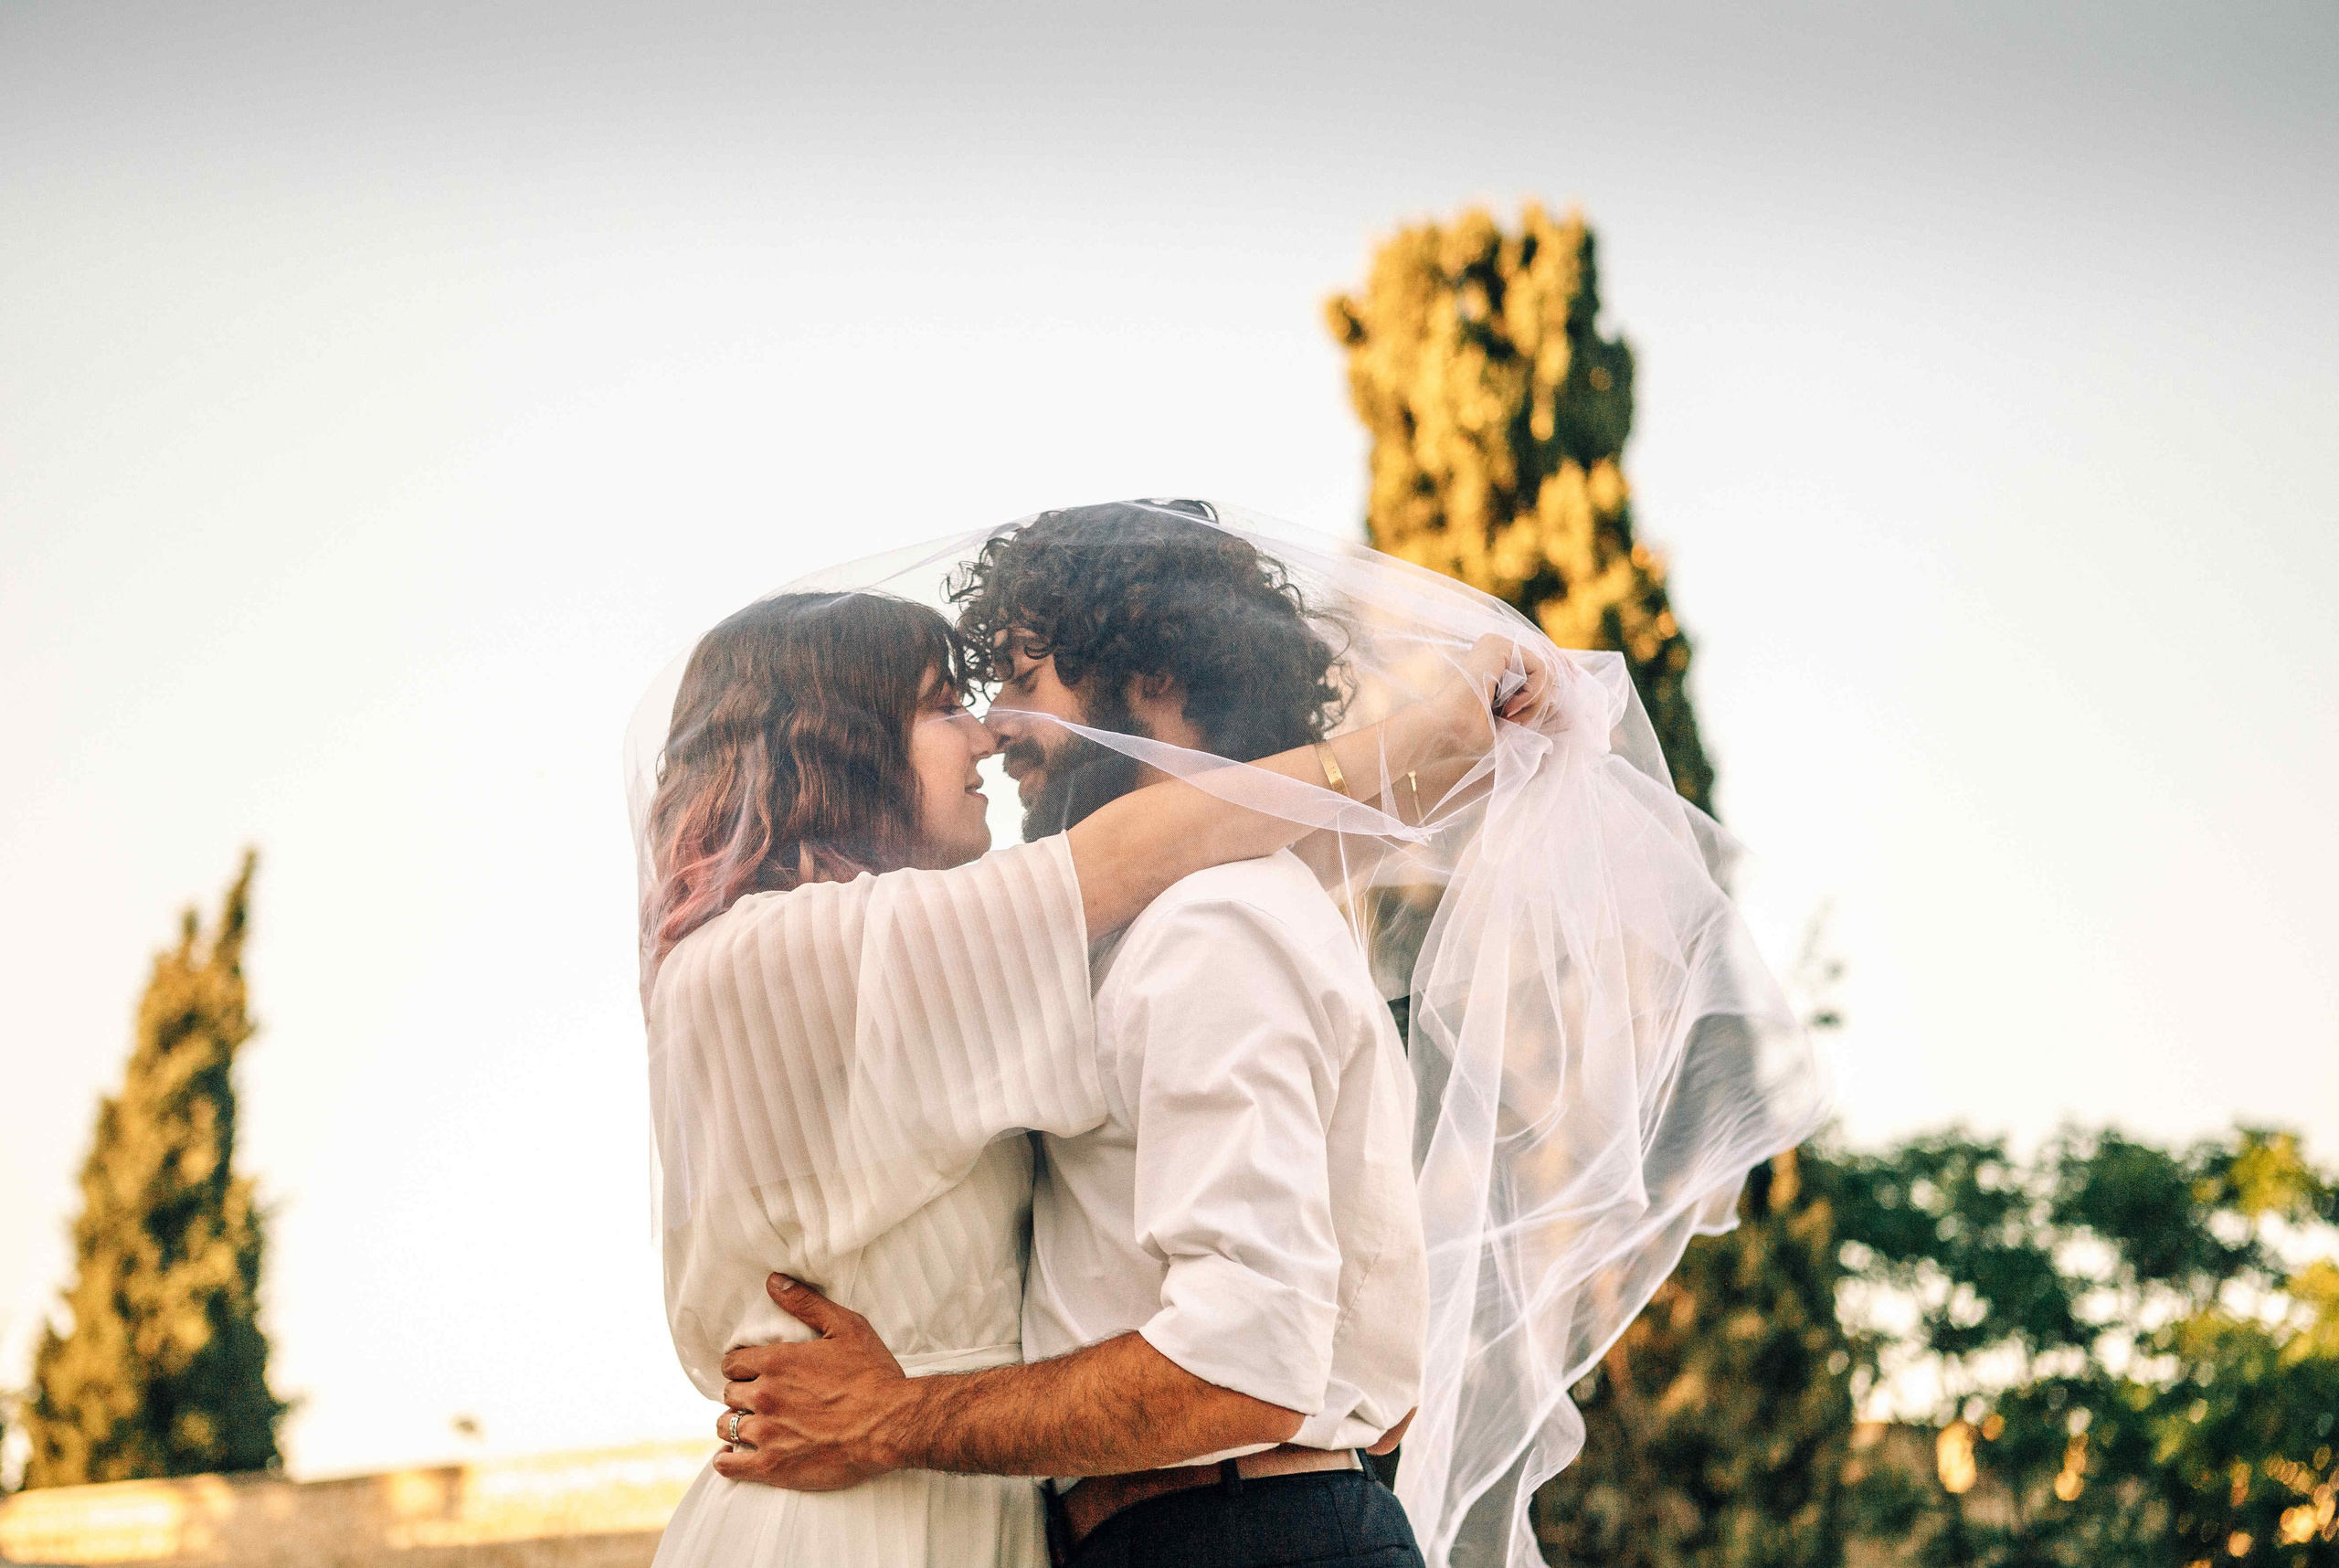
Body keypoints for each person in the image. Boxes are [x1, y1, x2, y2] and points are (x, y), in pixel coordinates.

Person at [631, 580, 1544, 1568]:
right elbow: (1124, 861)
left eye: (1000, 691)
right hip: (847, 1518)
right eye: (942, 704)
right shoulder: (765, 960)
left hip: (975, 1492)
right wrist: (1422, 737)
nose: (985, 734)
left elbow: (1193, 884)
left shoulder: (945, 978)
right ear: (834, 743)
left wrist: (1455, 767)